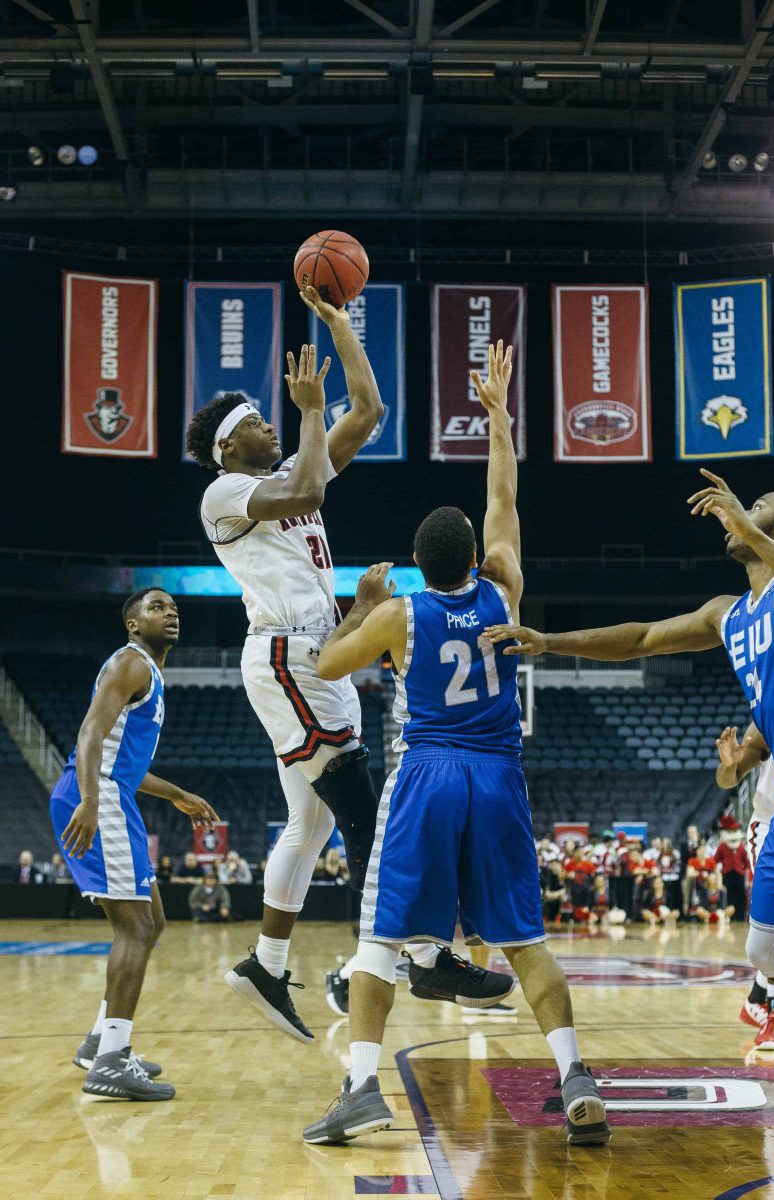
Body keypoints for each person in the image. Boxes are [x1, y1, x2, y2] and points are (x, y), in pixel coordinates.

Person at [302, 341, 610, 1148]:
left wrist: (360, 605)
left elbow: (327, 664)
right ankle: (575, 1072)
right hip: (499, 774)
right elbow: (503, 492)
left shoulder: (401, 615)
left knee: (379, 939)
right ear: (476, 557)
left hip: (428, 772)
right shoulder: (504, 585)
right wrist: (499, 413)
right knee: (524, 939)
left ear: (415, 565)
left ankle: (362, 1087)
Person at [188, 287, 506, 1042]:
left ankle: (266, 964)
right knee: (368, 815)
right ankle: (424, 954)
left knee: (312, 822)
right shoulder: (225, 491)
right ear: (232, 447)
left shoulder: (282, 473)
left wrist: (338, 323)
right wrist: (305, 409)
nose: (275, 424)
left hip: (310, 653)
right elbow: (304, 482)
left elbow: (368, 412)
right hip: (289, 660)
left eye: (277, 418)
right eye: (259, 422)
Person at [484, 473, 774, 1173]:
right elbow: (643, 637)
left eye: (759, 509)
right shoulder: (730, 611)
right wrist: (547, 639)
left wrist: (747, 531)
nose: (741, 515)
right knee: (765, 955)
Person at [49, 588, 220, 1100]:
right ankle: (110, 1064)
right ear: (132, 623)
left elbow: (126, 760)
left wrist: (177, 794)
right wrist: (90, 800)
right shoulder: (131, 662)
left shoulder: (147, 671)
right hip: (96, 795)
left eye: (173, 609)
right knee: (136, 925)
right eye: (156, 607)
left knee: (154, 921)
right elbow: (89, 735)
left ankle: (100, 1040)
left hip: (108, 791)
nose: (170, 613)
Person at [716, 724, 774, 1051]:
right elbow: (726, 780)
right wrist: (730, 765)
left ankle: (755, 999)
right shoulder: (769, 715)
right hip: (771, 827)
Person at [714, 815, 749, 921]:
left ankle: (740, 916)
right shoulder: (722, 846)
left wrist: (747, 879)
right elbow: (715, 860)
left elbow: (746, 862)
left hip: (739, 874)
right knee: (728, 896)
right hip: (727, 874)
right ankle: (730, 917)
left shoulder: (741, 846)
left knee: (740, 895)